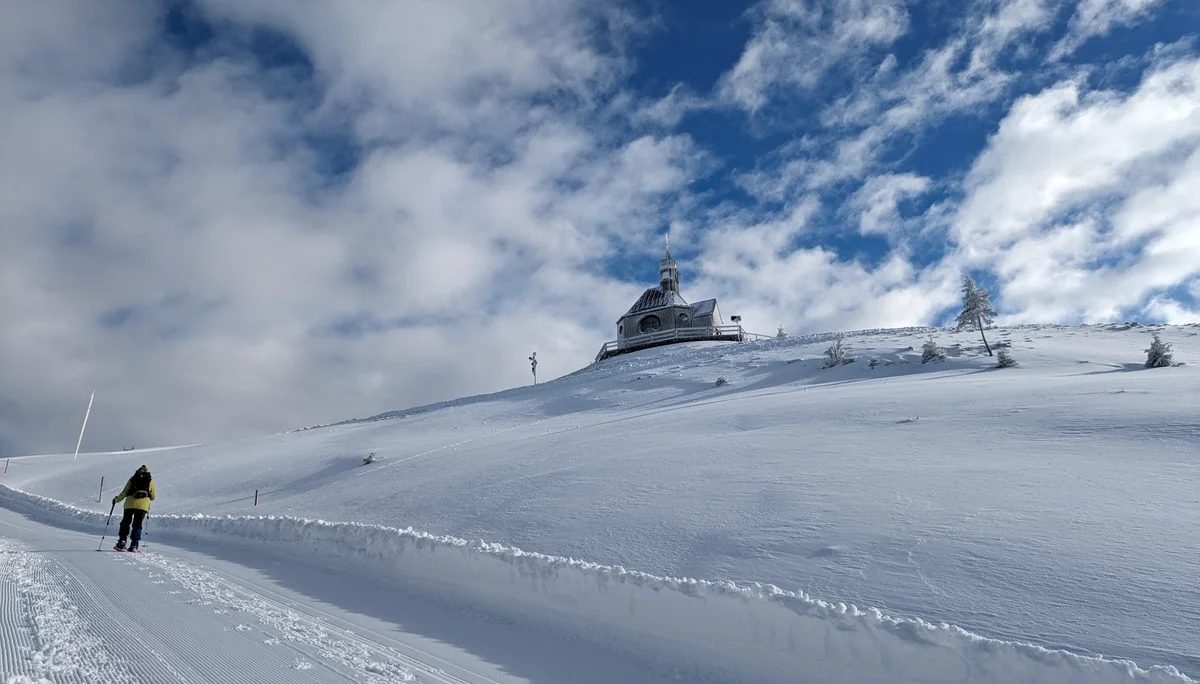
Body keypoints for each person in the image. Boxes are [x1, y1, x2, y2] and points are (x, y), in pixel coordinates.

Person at [112, 465, 156, 551]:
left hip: (129, 504)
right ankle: (134, 545)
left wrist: (116, 500)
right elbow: (153, 497)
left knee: (125, 522)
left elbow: (124, 492)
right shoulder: (150, 481)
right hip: (143, 506)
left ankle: (122, 542)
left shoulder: (132, 479)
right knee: (137, 524)